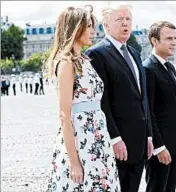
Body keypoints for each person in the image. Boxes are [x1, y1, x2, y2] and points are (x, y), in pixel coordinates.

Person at [46, 6, 120, 192]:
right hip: (80, 140)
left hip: (98, 136)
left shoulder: (85, 60)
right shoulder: (66, 63)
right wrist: (74, 161)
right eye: (88, 26)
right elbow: (64, 114)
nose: (93, 31)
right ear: (75, 28)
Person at [85, 4, 154, 192]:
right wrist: (114, 137)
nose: (125, 24)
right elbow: (102, 101)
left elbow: (143, 97)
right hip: (118, 142)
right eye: (119, 19)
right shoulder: (96, 54)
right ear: (106, 26)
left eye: (128, 19)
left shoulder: (135, 53)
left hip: (140, 142)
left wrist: (148, 134)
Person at [143, 21, 176, 192]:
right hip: (160, 146)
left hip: (174, 143)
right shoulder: (148, 69)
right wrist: (158, 146)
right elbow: (149, 112)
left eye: (175, 38)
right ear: (154, 41)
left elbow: (175, 110)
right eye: (168, 38)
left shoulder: (169, 67)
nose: (174, 42)